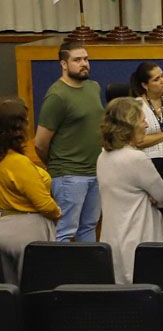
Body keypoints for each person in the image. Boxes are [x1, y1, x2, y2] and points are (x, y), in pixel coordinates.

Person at [33, 42, 104, 243]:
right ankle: (61, 275)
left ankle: (87, 273)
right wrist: (57, 166)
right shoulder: (57, 95)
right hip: (69, 175)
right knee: (65, 231)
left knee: (89, 227)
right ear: (63, 64)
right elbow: (40, 143)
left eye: (86, 59)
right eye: (77, 60)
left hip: (95, 171)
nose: (84, 64)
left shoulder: (93, 87)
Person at [97, 97, 163, 284]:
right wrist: (151, 196)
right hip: (138, 241)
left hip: (112, 240)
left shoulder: (102, 156)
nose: (145, 125)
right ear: (129, 125)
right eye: (142, 120)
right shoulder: (137, 159)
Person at [0, 97, 60, 284]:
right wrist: (57, 212)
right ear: (18, 126)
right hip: (26, 232)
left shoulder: (5, 158)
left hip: (5, 227)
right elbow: (43, 203)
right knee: (35, 288)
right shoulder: (18, 163)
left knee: (10, 293)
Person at [129, 61, 163, 176]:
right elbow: (139, 141)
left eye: (162, 76)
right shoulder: (136, 106)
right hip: (148, 160)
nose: (162, 81)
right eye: (156, 79)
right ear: (145, 85)